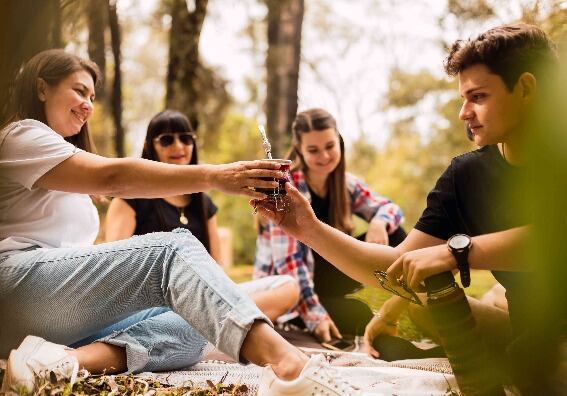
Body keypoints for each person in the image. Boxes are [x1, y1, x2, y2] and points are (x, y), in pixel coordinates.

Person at [0, 49, 358, 396]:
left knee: (196, 316)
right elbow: (112, 177)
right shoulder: (19, 136)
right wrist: (216, 175)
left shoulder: (61, 165)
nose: (88, 105)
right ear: (42, 87)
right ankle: (291, 368)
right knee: (172, 249)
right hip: (15, 289)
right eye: (79, 90)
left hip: (52, 311)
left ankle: (61, 362)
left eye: (92, 96)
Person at [253, 23, 562, 389]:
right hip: (529, 332)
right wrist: (309, 228)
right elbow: (397, 269)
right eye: (463, 98)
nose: (464, 112)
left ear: (526, 88)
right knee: (428, 303)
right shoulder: (466, 175)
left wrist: (456, 254)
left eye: (478, 97)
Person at [105, 109, 300, 322]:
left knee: (287, 288)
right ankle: (221, 327)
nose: (178, 146)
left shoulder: (203, 202)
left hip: (205, 298)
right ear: (149, 146)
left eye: (186, 139)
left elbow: (217, 268)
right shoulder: (129, 198)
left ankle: (214, 326)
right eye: (167, 140)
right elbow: (117, 272)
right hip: (154, 306)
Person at [254, 108, 405, 341]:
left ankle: (412, 304)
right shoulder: (286, 189)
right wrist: (316, 316)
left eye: (330, 146)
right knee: (360, 315)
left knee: (396, 235)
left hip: (329, 274)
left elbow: (391, 208)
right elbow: (289, 263)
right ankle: (312, 314)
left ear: (339, 143)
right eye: (313, 150)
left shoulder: (345, 184)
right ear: (300, 151)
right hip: (294, 289)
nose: (324, 156)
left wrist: (379, 222)